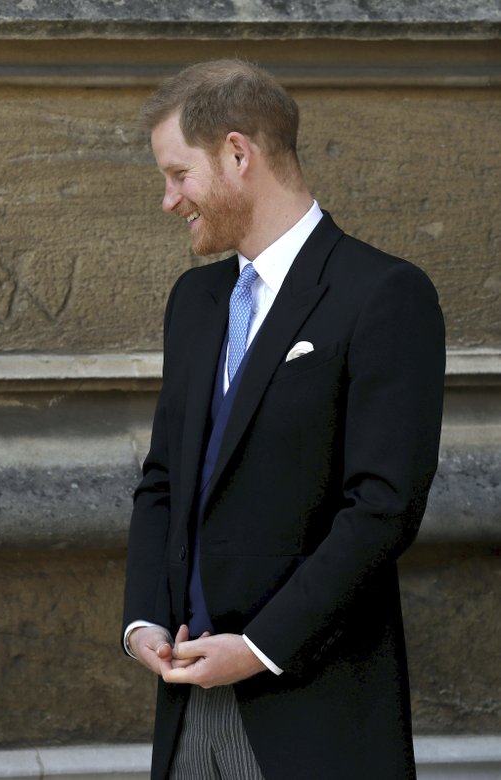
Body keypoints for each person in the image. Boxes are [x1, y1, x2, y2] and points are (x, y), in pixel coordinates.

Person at [122, 60, 445, 780]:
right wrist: (142, 618)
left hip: (313, 712)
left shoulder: (384, 295)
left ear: (239, 155)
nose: (169, 201)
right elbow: (166, 478)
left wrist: (260, 646)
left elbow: (383, 509)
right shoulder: (195, 302)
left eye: (179, 175)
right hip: (186, 713)